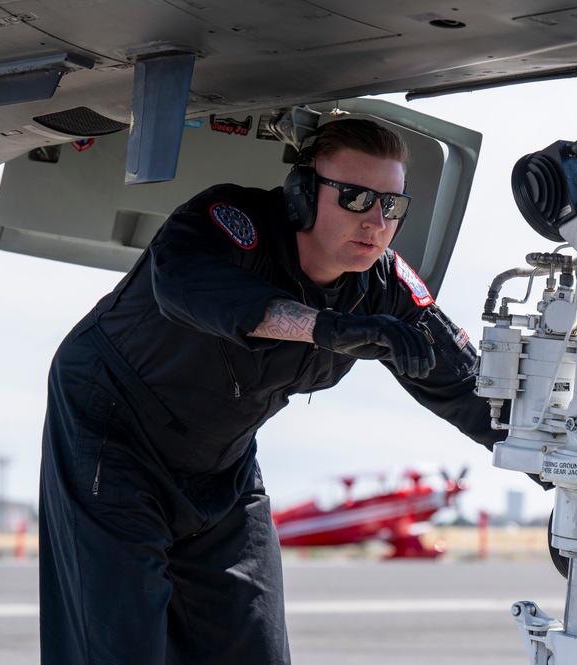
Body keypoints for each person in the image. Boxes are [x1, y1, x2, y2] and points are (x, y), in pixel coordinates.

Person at [37, 118, 502, 665]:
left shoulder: (385, 288)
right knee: (116, 648)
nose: (377, 222)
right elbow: (187, 287)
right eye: (355, 198)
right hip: (113, 440)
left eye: (392, 206)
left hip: (223, 467)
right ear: (302, 196)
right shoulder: (229, 223)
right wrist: (325, 327)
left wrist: (565, 480)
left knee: (254, 650)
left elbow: (471, 390)